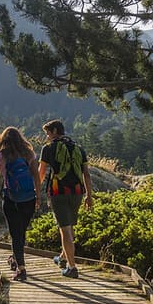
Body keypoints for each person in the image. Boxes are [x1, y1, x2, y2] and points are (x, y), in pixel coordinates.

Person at [38, 119, 93, 278]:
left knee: (65, 229)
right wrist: (89, 195)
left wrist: (35, 191)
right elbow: (86, 175)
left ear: (55, 131)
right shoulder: (78, 148)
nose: (47, 137)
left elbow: (41, 173)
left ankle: (72, 267)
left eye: (48, 133)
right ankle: (62, 257)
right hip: (77, 192)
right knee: (69, 226)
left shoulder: (48, 149)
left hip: (58, 192)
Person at [0, 126, 41, 282]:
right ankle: (15, 258)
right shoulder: (29, 153)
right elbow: (36, 176)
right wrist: (38, 196)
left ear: (3, 140)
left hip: (11, 198)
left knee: (15, 233)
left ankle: (21, 268)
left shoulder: (3, 154)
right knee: (21, 232)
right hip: (29, 198)